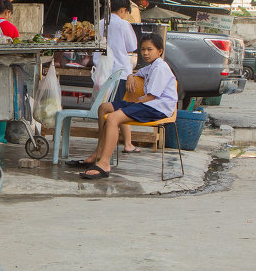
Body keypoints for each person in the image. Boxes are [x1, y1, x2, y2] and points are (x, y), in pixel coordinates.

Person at [68, 33, 178, 179]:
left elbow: (151, 96)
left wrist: (129, 106)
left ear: (160, 51)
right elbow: (138, 73)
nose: (145, 53)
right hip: (148, 104)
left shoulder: (160, 68)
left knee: (113, 118)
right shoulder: (152, 66)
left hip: (157, 108)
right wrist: (130, 76)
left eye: (149, 49)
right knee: (104, 108)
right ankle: (99, 152)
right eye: (143, 49)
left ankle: (104, 164)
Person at [94, 0, 139, 151]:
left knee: (105, 109)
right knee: (119, 109)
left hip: (101, 72)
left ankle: (120, 143)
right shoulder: (123, 24)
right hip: (119, 73)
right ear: (122, 10)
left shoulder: (100, 24)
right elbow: (132, 46)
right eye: (126, 12)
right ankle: (119, 144)